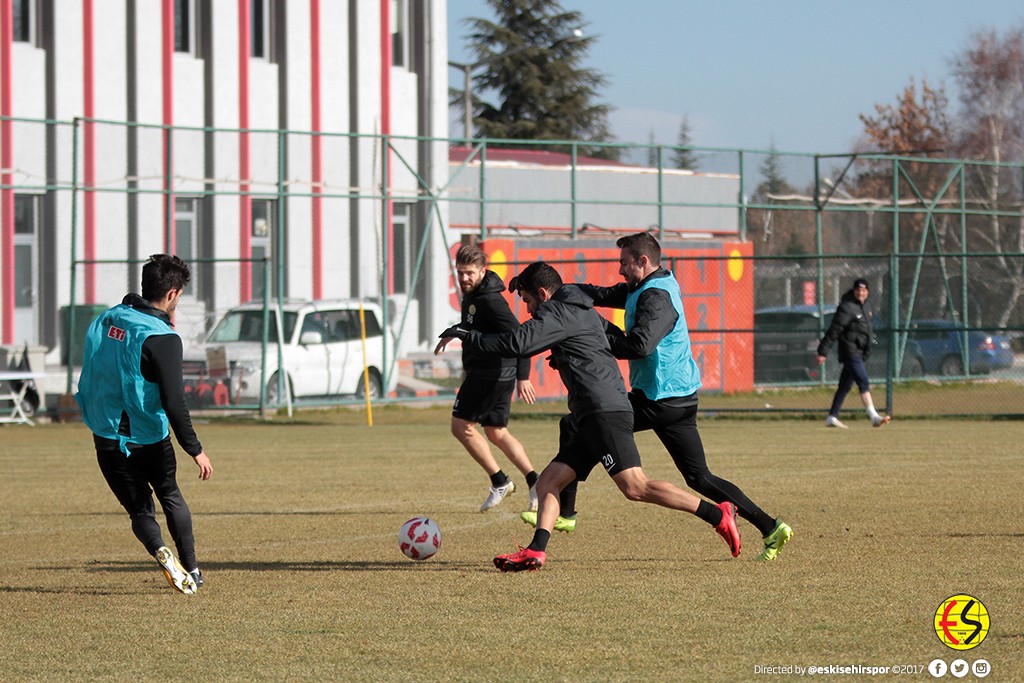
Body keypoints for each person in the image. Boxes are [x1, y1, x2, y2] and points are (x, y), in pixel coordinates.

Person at [439, 261, 741, 572]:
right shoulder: (580, 310)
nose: (528, 310)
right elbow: (592, 344)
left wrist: (466, 334)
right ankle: (536, 551)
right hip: (592, 410)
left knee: (635, 487)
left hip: (602, 410)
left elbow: (516, 343)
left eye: (528, 301)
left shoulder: (556, 312)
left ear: (542, 294)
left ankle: (717, 515)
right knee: (547, 483)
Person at [526, 232, 792, 561]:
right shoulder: (642, 287)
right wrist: (564, 295)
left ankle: (565, 513)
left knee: (585, 424)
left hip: (661, 400)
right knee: (699, 476)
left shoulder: (658, 298)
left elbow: (639, 345)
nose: (620, 270)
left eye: (624, 263)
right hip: (674, 398)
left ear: (643, 261)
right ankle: (770, 526)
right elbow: (599, 293)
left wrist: (593, 332)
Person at [76, 254, 213, 594]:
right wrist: (195, 449)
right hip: (148, 435)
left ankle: (158, 549)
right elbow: (174, 402)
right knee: (170, 495)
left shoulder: (109, 319)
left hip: (107, 434)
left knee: (140, 511)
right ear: (171, 295)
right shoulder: (163, 339)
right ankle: (192, 569)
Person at [435, 244, 540, 512]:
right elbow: (474, 327)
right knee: (496, 431)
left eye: (469, 273)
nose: (464, 278)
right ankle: (534, 481)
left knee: (461, 427)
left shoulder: (489, 300)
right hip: (492, 372)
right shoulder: (474, 295)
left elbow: (521, 336)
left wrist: (523, 376)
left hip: (490, 374)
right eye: (460, 273)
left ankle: (500, 480)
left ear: (483, 271)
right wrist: (455, 331)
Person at [816, 278, 892, 429]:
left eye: (864, 290)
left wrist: (872, 343)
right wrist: (823, 351)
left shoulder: (866, 307)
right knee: (863, 381)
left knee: (844, 386)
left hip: (860, 352)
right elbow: (835, 329)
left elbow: (867, 331)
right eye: (858, 290)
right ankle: (874, 416)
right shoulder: (847, 307)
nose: (861, 293)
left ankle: (832, 416)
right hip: (850, 351)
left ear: (867, 292)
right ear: (854, 290)